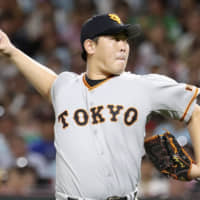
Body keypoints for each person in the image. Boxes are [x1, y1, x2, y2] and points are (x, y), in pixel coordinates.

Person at [0, 13, 200, 200]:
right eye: (115, 39)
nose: (123, 46)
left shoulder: (143, 86)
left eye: (125, 40)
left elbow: (194, 111)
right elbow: (50, 83)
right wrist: (10, 50)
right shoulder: (65, 87)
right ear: (90, 46)